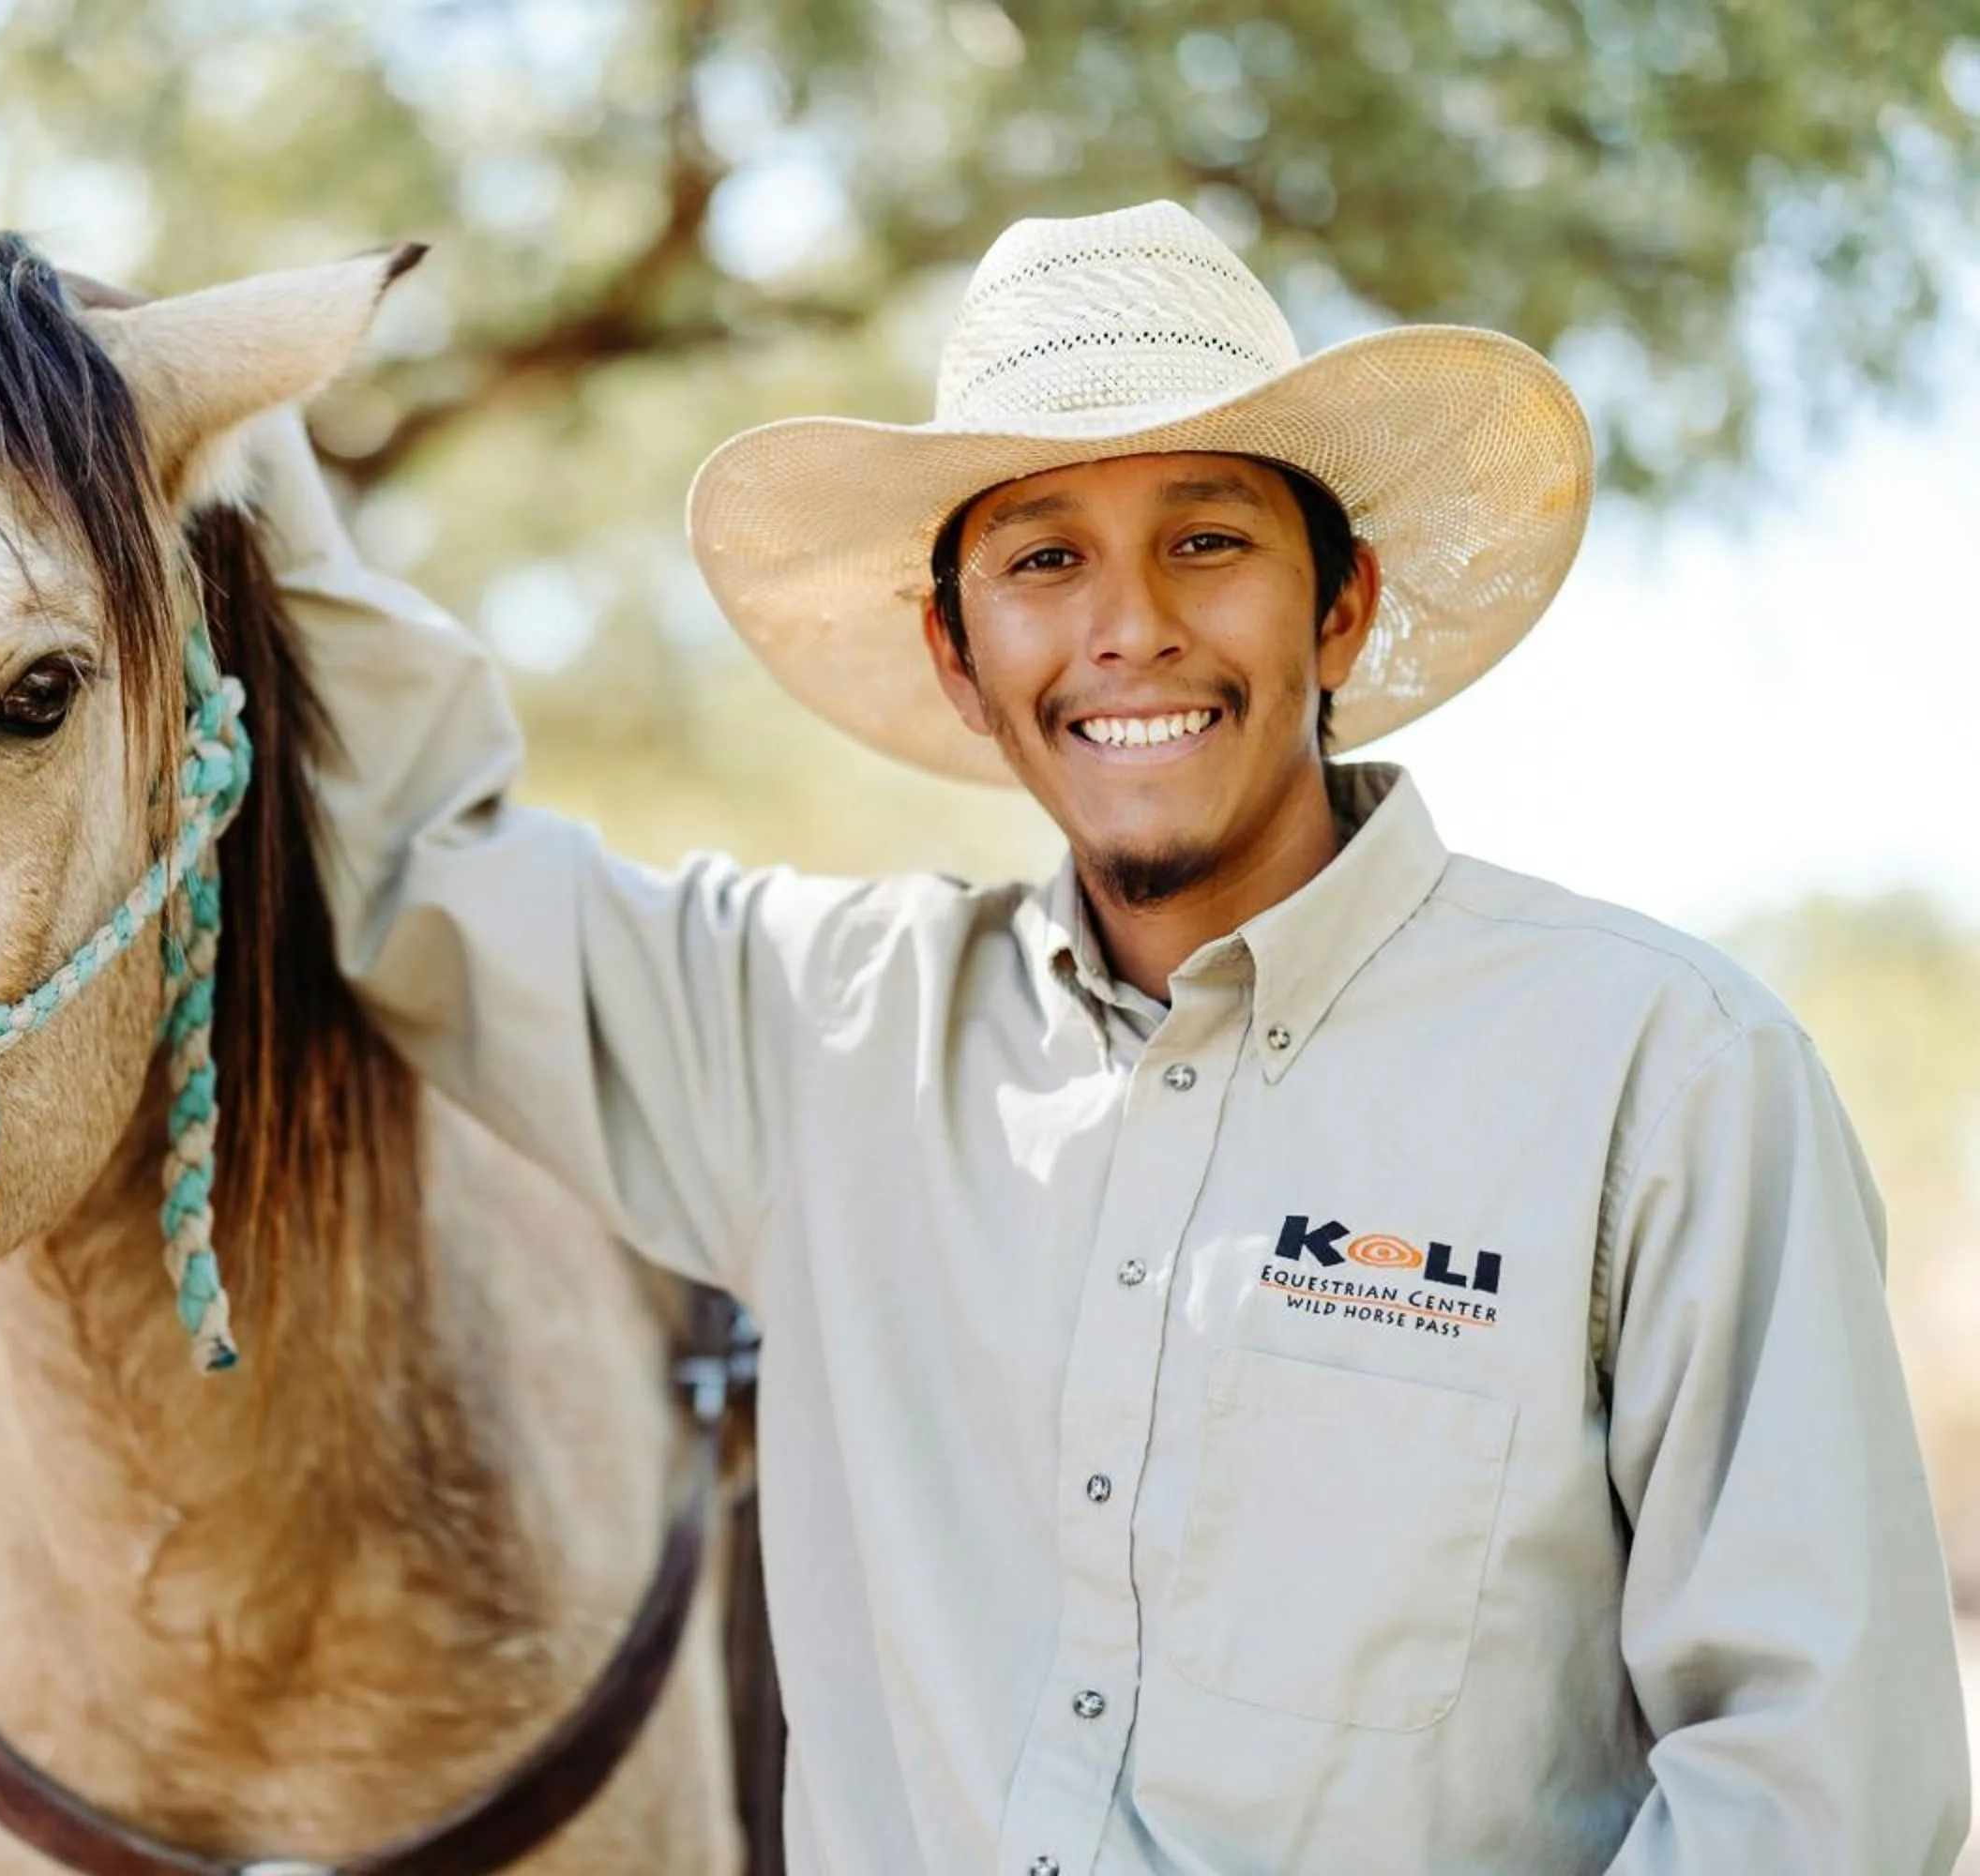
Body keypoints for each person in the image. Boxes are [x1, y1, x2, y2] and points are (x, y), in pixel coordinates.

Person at [242, 202, 1971, 1874]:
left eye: (1207, 539)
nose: (1127, 622)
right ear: (956, 652)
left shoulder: (1662, 1078)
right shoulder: (815, 1037)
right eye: (1043, 558)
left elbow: (1822, 1787)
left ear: (1341, 606)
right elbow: (414, 855)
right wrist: (206, 434)